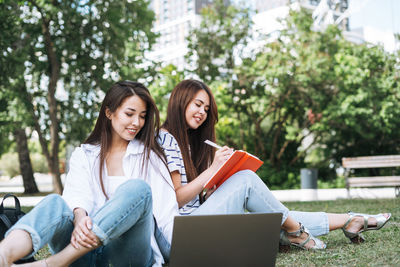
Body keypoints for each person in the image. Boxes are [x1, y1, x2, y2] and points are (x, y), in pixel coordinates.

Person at [158, 79, 391, 250]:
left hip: (198, 221)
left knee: (275, 216)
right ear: (181, 101)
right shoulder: (167, 138)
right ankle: (297, 233)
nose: (202, 113)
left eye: (206, 109)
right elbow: (176, 199)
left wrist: (214, 188)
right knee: (246, 179)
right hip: (184, 232)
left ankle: (351, 220)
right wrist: (212, 169)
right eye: (197, 105)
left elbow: (196, 197)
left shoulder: (189, 142)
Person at [0, 81, 178, 267]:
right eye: (129, 114)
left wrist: (184, 251)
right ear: (109, 113)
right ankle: (3, 256)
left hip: (127, 257)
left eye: (142, 116)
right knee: (55, 202)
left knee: (138, 189)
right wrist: (80, 218)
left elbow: (167, 214)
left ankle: (58, 262)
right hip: (85, 256)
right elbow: (76, 196)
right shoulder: (85, 154)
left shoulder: (150, 157)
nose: (137, 122)